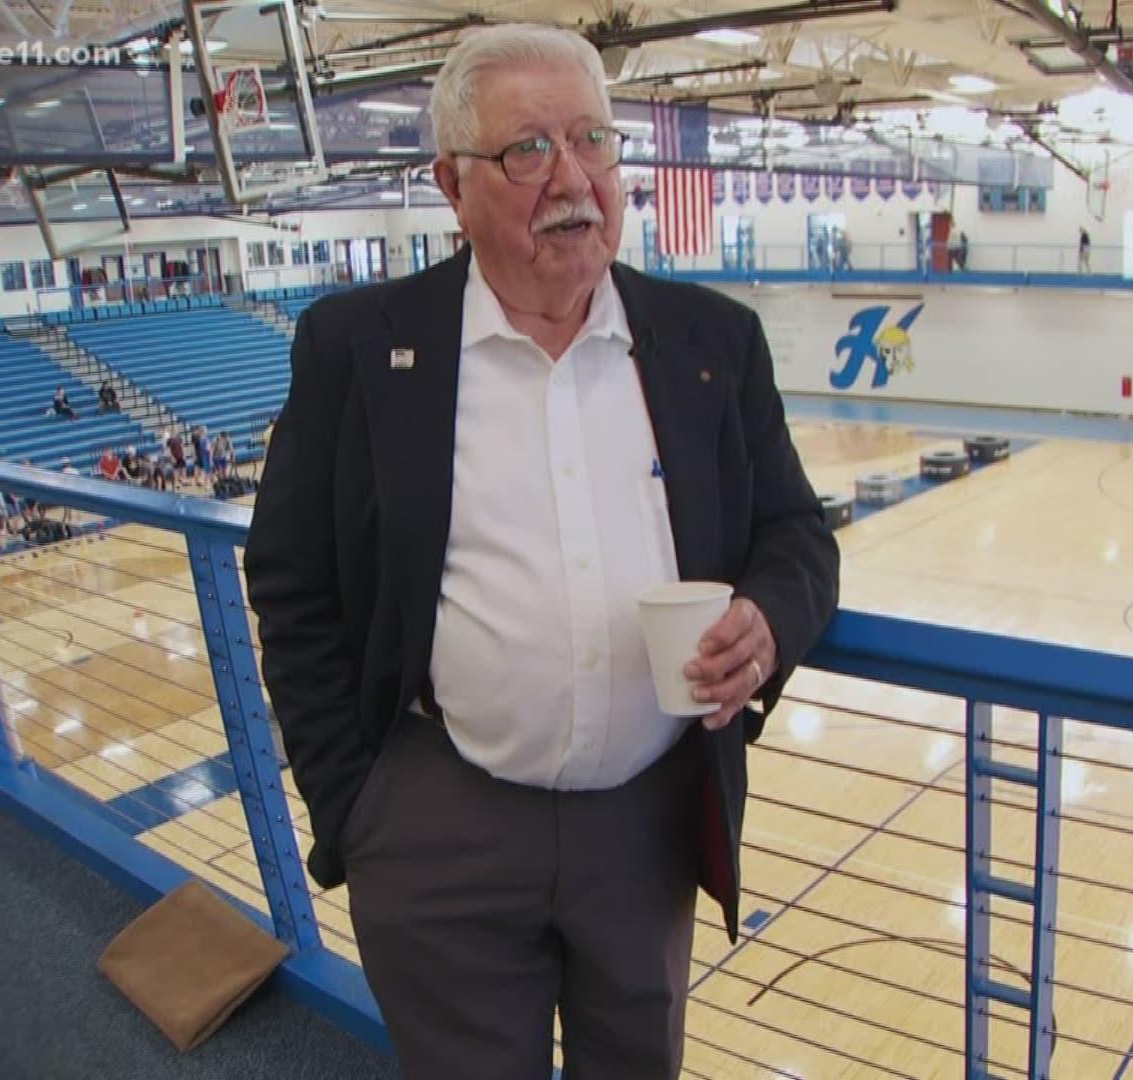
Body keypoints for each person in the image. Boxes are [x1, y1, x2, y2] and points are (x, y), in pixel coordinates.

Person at [243, 25, 839, 1080]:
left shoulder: (713, 343)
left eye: (593, 142)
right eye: (528, 150)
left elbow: (795, 532)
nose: (573, 180)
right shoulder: (356, 347)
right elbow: (291, 585)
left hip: (647, 827)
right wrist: (356, 804)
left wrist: (771, 620)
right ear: (452, 184)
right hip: (436, 819)